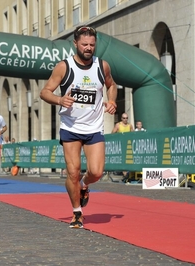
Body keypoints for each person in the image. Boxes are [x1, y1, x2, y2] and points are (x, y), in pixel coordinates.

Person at [39, 25, 117, 229]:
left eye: (92, 44)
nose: (88, 48)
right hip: (71, 127)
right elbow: (45, 92)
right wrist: (59, 100)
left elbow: (111, 85)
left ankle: (84, 185)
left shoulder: (102, 66)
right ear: (75, 44)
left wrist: (112, 101)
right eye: (84, 44)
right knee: (72, 172)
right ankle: (77, 212)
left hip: (94, 128)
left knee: (96, 172)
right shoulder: (64, 67)